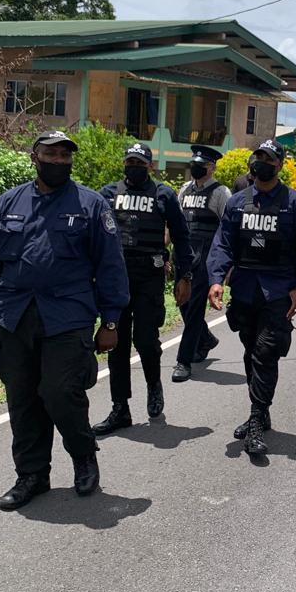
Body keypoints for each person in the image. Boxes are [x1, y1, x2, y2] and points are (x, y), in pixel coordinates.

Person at [0, 130, 129, 511]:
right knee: (22, 398)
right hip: (15, 316)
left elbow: (111, 267)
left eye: (65, 156)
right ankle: (32, 475)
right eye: (51, 155)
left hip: (68, 316)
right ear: (34, 158)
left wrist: (111, 322)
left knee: (60, 392)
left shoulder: (91, 205)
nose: (58, 161)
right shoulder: (8, 202)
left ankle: (84, 457)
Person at [207, 139, 296, 456]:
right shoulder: (237, 202)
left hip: (278, 291)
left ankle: (256, 420)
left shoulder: (295, 204)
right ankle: (261, 411)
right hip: (245, 290)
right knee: (250, 352)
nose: (262, 162)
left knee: (265, 353)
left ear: (279, 165)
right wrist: (216, 280)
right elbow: (223, 244)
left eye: (269, 158)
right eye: (258, 157)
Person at [92, 143, 194, 435]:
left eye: (140, 162)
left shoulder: (163, 194)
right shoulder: (108, 194)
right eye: (130, 161)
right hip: (116, 279)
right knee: (117, 343)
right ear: (124, 163)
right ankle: (120, 408)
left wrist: (184, 276)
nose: (134, 166)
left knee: (147, 340)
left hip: (149, 277)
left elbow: (181, 237)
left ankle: (153, 386)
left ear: (150, 165)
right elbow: (94, 235)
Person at [172, 145, 232, 381]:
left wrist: (225, 265)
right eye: (194, 163)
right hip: (184, 256)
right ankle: (205, 339)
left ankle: (183, 361)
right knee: (183, 303)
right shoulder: (185, 189)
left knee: (195, 308)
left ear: (212, 168)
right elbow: (176, 222)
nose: (195, 167)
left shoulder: (221, 193)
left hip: (206, 258)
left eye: (201, 165)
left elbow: (228, 230)